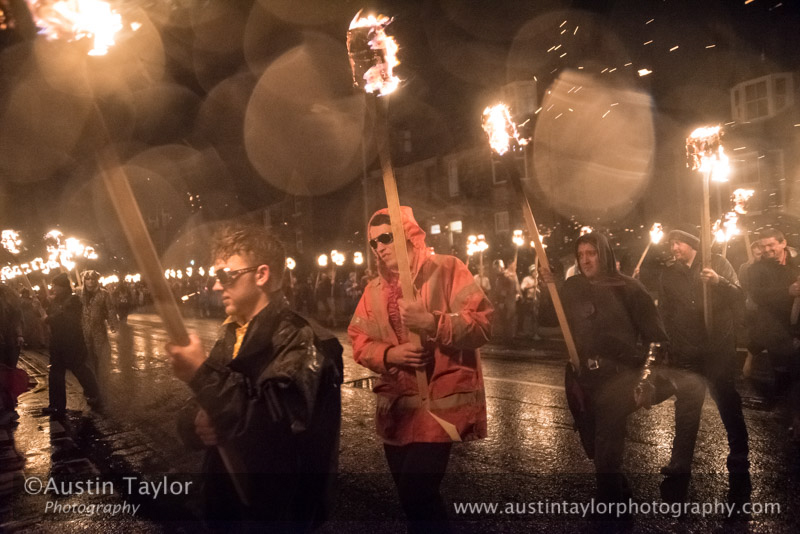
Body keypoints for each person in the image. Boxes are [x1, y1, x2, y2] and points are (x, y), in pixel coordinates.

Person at [165, 224, 343, 529]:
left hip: (278, 511)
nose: (217, 286)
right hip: (229, 505)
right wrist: (196, 423)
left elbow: (272, 428)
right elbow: (208, 407)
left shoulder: (305, 340)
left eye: (226, 275)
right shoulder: (232, 331)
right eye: (215, 276)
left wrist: (201, 375)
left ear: (261, 275)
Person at [348, 207, 493, 533]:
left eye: (386, 237)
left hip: (439, 407)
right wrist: (390, 354)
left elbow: (483, 324)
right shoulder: (373, 291)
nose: (380, 247)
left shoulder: (448, 269)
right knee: (412, 501)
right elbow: (359, 341)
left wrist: (432, 322)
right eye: (374, 243)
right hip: (397, 411)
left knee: (417, 493)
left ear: (406, 234)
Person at [548, 233, 667, 509]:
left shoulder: (630, 289)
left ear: (605, 254)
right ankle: (620, 491)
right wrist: (549, 287)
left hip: (618, 377)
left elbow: (657, 338)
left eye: (592, 253)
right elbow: (548, 316)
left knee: (606, 444)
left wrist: (647, 379)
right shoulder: (573, 286)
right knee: (593, 442)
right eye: (581, 255)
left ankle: (609, 510)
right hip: (583, 376)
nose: (586, 260)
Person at [658, 223, 749, 475]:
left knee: (726, 400)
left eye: (679, 242)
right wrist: (669, 342)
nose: (674, 248)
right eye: (671, 243)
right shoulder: (669, 273)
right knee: (687, 405)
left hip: (717, 346)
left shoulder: (717, 263)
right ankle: (680, 462)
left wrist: (718, 282)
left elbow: (739, 295)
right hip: (687, 349)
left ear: (693, 244)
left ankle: (739, 452)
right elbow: (665, 311)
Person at [748, 228, 800, 440]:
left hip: (797, 325)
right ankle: (787, 417)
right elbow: (759, 296)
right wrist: (787, 292)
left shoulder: (796, 263)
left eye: (771, 245)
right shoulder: (757, 269)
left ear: (783, 243)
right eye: (764, 246)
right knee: (785, 374)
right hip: (776, 330)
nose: (767, 249)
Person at [43, 273, 101, 418]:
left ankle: (94, 394)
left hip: (72, 341)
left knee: (79, 368)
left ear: (63, 287)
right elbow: (54, 315)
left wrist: (48, 319)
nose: (53, 288)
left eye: (55, 286)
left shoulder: (74, 300)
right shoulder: (55, 301)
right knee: (56, 372)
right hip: (57, 342)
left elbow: (66, 319)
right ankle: (56, 405)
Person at [80, 270, 118, 384]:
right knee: (88, 356)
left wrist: (113, 323)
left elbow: (110, 309)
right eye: (88, 279)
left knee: (102, 354)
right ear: (84, 281)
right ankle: (92, 380)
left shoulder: (103, 294)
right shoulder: (79, 294)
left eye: (93, 279)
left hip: (99, 329)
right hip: (83, 329)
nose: (91, 281)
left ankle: (103, 378)